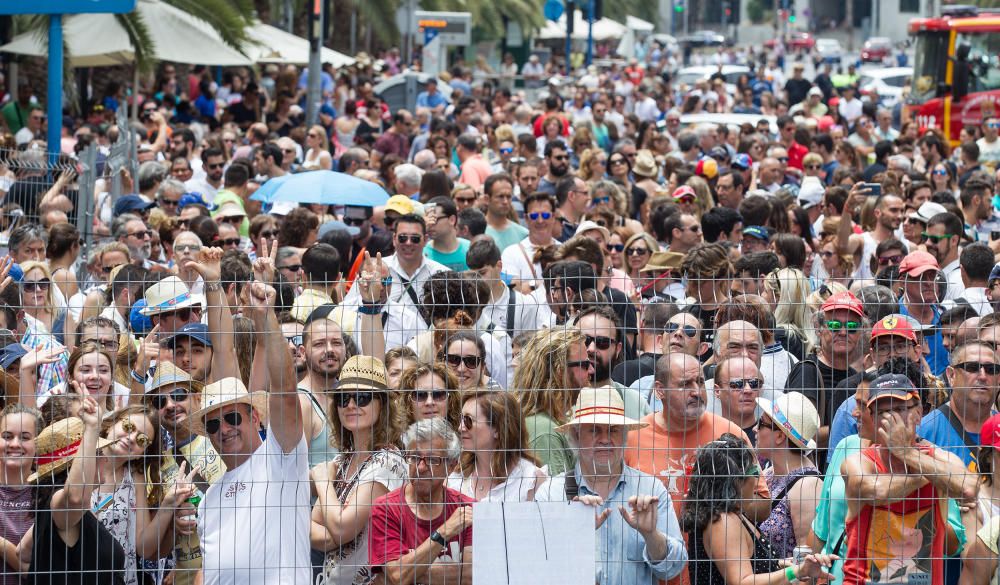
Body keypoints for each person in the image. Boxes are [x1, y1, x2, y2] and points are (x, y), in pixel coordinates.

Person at [189, 276, 310, 584]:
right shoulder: (209, 499)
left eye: (232, 417)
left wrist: (266, 318)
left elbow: (284, 390)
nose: (224, 429)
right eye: (213, 424)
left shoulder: (280, 458)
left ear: (255, 418)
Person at [535, 386, 688, 585]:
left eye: (613, 430)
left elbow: (673, 569)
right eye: (594, 430)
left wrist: (652, 536)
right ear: (576, 435)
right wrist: (574, 534)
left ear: (624, 435)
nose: (605, 439)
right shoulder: (551, 493)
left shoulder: (651, 489)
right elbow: (537, 567)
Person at [840, 373, 977, 585]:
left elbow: (968, 488)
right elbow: (874, 491)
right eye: (883, 412)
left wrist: (907, 453)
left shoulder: (940, 457)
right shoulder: (858, 461)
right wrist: (930, 475)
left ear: (919, 413)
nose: (892, 419)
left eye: (900, 410)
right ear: (873, 419)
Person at [681, 433, 837, 585]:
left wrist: (786, 565)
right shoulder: (723, 521)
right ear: (736, 480)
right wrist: (796, 572)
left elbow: (753, 563)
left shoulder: (734, 513)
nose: (757, 481)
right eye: (754, 472)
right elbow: (742, 581)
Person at [312, 356, 408, 585]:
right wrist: (334, 536)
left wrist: (322, 480)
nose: (351, 406)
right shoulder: (344, 459)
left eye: (363, 398)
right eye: (343, 398)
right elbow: (312, 526)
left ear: (382, 405)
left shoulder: (388, 462)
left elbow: (342, 527)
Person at [367, 418, 474, 585]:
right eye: (415, 457)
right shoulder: (386, 509)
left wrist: (413, 570)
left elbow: (471, 576)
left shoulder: (467, 509)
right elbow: (398, 576)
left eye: (433, 460)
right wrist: (444, 533)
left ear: (452, 465)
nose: (421, 467)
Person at [513, 329, 592, 476]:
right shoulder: (544, 431)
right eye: (585, 365)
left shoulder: (548, 421)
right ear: (559, 370)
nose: (592, 370)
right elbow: (557, 496)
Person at [755, 392, 823, 558]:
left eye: (761, 423)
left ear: (779, 436)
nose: (754, 428)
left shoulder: (807, 486)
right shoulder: (769, 472)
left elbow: (807, 558)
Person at [447, 391, 546, 501]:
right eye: (461, 419)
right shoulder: (455, 477)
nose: (461, 428)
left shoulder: (531, 481)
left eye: (468, 420)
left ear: (498, 429)